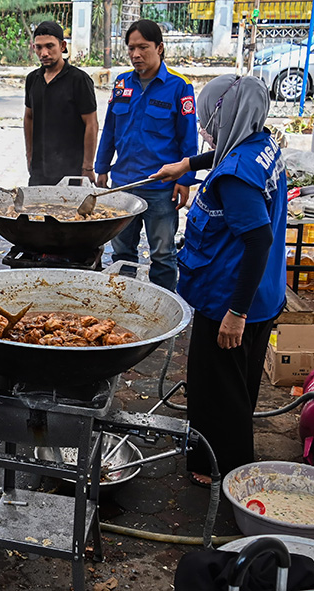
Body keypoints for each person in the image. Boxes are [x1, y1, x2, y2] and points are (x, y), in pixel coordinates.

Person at [151, 75, 287, 486]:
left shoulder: (235, 177)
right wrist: (188, 165)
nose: (205, 129)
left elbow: (259, 240)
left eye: (210, 118)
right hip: (263, 292)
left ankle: (221, 469)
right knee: (238, 385)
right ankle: (232, 459)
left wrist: (235, 313)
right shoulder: (261, 142)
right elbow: (230, 153)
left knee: (217, 391)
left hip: (230, 296)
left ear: (227, 116)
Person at [94, 19, 197, 290]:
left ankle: (163, 307)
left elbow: (189, 138)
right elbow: (110, 129)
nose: (135, 54)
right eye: (131, 48)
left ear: (159, 48)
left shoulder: (179, 86)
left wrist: (185, 180)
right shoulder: (122, 83)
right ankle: (124, 302)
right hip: (124, 185)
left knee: (163, 255)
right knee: (121, 253)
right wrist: (102, 166)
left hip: (160, 187)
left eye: (143, 47)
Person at [23, 21, 98, 186]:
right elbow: (29, 117)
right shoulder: (32, 79)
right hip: (39, 171)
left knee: (70, 212)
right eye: (39, 47)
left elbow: (91, 124)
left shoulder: (79, 80)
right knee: (37, 211)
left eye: (50, 46)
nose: (44, 53)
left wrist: (87, 167)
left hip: (71, 172)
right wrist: (29, 155)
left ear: (63, 46)